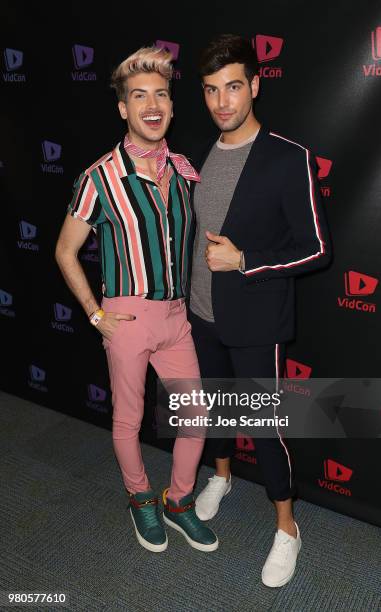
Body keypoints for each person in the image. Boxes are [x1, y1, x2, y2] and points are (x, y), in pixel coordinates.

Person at [55, 46, 218, 553]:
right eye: (139, 95)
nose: (152, 104)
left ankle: (179, 501)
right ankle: (141, 498)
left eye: (162, 94)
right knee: (128, 417)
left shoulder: (184, 169)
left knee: (196, 417)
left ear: (170, 105)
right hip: (126, 317)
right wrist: (96, 314)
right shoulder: (99, 177)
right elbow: (64, 251)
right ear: (123, 108)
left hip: (176, 318)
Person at [189, 34, 331, 585]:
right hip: (201, 314)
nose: (222, 102)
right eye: (210, 90)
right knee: (219, 409)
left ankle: (287, 526)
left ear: (255, 85)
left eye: (232, 87)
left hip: (255, 319)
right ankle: (220, 476)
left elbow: (317, 248)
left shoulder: (286, 157)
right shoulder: (198, 151)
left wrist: (246, 260)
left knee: (264, 425)